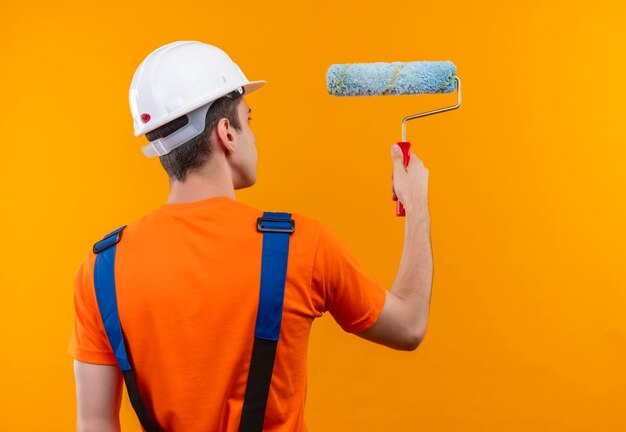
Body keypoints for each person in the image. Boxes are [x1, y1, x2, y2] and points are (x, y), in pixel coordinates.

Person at [68, 41, 433, 432]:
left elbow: (95, 423)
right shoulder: (301, 245)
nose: (254, 137)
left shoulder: (102, 267)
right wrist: (417, 205)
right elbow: (409, 326)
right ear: (227, 132)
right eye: (249, 118)